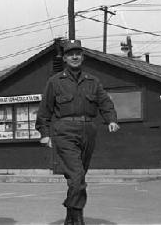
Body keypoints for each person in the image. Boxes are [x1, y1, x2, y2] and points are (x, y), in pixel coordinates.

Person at [36, 40, 120, 225]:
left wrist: (111, 119)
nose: (75, 57)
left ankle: (70, 215)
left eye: (78, 54)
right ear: (65, 58)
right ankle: (78, 216)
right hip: (64, 131)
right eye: (71, 54)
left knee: (78, 176)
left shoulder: (93, 81)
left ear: (82, 57)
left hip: (88, 131)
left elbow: (105, 103)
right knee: (77, 176)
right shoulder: (55, 82)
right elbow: (44, 110)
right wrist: (44, 133)